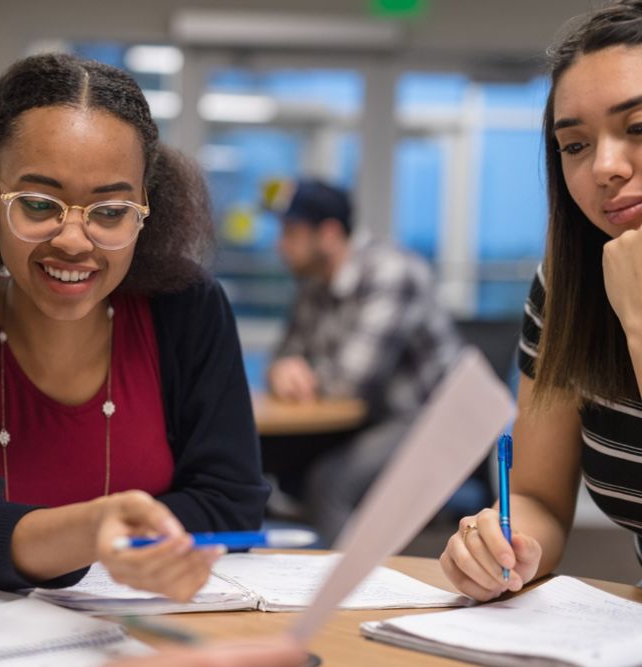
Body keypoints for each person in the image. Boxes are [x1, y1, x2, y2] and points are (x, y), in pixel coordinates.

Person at [0, 53, 270, 603]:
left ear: (144, 207)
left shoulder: (187, 310)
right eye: (39, 204)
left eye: (109, 211)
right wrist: (93, 532)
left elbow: (230, 506)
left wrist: (10, 537)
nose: (74, 241)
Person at [440, 0, 642, 601]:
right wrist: (503, 544)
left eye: (637, 128)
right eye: (575, 146)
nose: (604, 167)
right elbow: (540, 496)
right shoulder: (567, 286)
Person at [265, 178, 461, 544]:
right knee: (259, 462)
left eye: (291, 231)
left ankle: (351, 594)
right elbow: (283, 358)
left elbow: (350, 381)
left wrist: (300, 374)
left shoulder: (391, 272)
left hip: (429, 420)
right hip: (369, 419)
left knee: (329, 482)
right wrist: (282, 370)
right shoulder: (315, 283)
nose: (281, 243)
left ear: (329, 234)